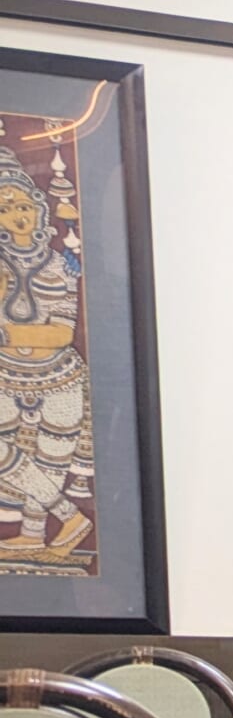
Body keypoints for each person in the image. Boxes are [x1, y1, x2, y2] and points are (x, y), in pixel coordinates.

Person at [0, 140, 93, 562]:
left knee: (52, 458)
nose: (17, 215)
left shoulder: (60, 266)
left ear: (39, 210)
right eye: (6, 209)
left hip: (60, 378)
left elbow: (60, 334)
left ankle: (35, 534)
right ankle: (68, 516)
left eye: (23, 206)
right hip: (7, 374)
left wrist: (8, 334)